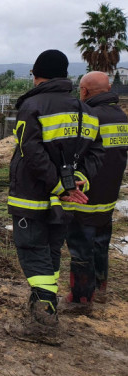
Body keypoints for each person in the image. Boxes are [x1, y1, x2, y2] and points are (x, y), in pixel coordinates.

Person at [7, 49, 103, 343]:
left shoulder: (33, 106)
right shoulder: (86, 112)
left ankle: (44, 317)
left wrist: (62, 186)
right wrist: (76, 183)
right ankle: (42, 304)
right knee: (50, 250)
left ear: (37, 75)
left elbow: (31, 153)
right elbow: (97, 153)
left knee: (32, 251)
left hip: (32, 199)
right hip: (66, 202)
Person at [62, 71, 128, 311]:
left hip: (85, 196)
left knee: (80, 247)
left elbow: (77, 153)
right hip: (108, 196)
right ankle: (100, 288)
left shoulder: (90, 117)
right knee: (101, 243)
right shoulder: (121, 117)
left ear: (85, 91)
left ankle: (80, 298)